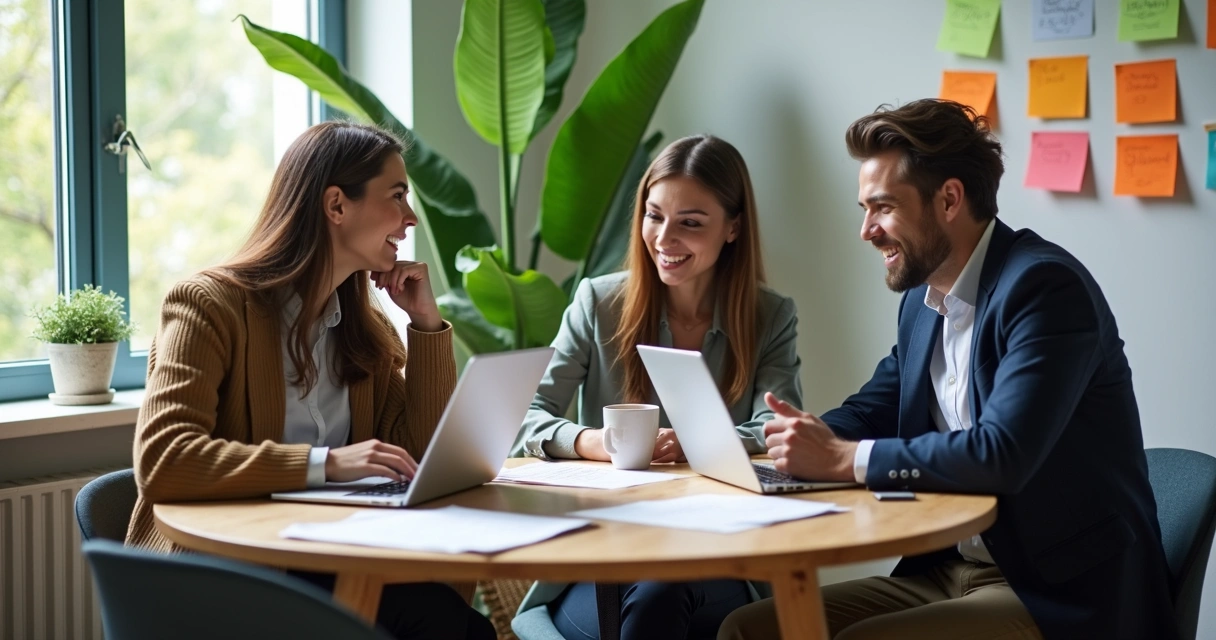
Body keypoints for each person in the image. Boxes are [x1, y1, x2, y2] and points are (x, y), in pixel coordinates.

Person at [717, 99, 1178, 640]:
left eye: (883, 208)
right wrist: (782, 444)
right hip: (946, 567)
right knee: (749, 629)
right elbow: (876, 407)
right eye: (864, 209)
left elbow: (1001, 452)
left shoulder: (1045, 290)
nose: (866, 231)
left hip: (1057, 590)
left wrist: (843, 460)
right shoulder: (922, 299)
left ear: (950, 199)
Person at [126, 121, 495, 640]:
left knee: (452, 623)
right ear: (336, 206)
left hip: (331, 562)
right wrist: (328, 464)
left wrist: (427, 328)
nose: (411, 219)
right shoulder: (208, 305)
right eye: (397, 197)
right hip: (226, 575)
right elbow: (165, 460)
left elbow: (420, 457)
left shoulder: (368, 333)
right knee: (443, 625)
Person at [511, 135, 803, 639]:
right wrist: (593, 442)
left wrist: (696, 442)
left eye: (690, 223)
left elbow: (780, 428)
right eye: (654, 215)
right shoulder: (598, 302)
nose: (664, 238)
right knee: (648, 597)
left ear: (733, 228)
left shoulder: (770, 315)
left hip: (717, 549)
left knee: (660, 594)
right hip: (607, 543)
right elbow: (525, 415)